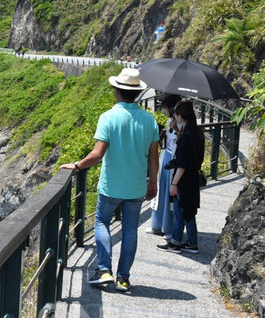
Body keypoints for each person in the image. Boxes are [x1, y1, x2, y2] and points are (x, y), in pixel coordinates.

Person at [61, 68, 159, 292]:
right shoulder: (149, 120)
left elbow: (97, 154)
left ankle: (104, 269)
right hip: (136, 186)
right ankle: (123, 278)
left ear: (116, 90)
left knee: (101, 222)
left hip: (112, 185)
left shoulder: (108, 117)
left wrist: (76, 165)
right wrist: (153, 182)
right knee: (130, 231)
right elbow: (154, 156)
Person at [157, 101, 204, 254]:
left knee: (179, 211)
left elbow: (183, 165)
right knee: (189, 212)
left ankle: (175, 243)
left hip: (184, 180)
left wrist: (174, 183)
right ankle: (192, 243)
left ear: (180, 116)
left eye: (176, 115)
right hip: (193, 178)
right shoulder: (196, 132)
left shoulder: (186, 137)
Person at [146, 95, 181, 239]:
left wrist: (176, 129)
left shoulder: (179, 123)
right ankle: (158, 225)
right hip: (166, 155)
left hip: (173, 159)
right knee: (161, 192)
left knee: (168, 195)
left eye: (165, 108)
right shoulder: (170, 121)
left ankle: (169, 228)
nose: (164, 111)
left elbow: (181, 141)